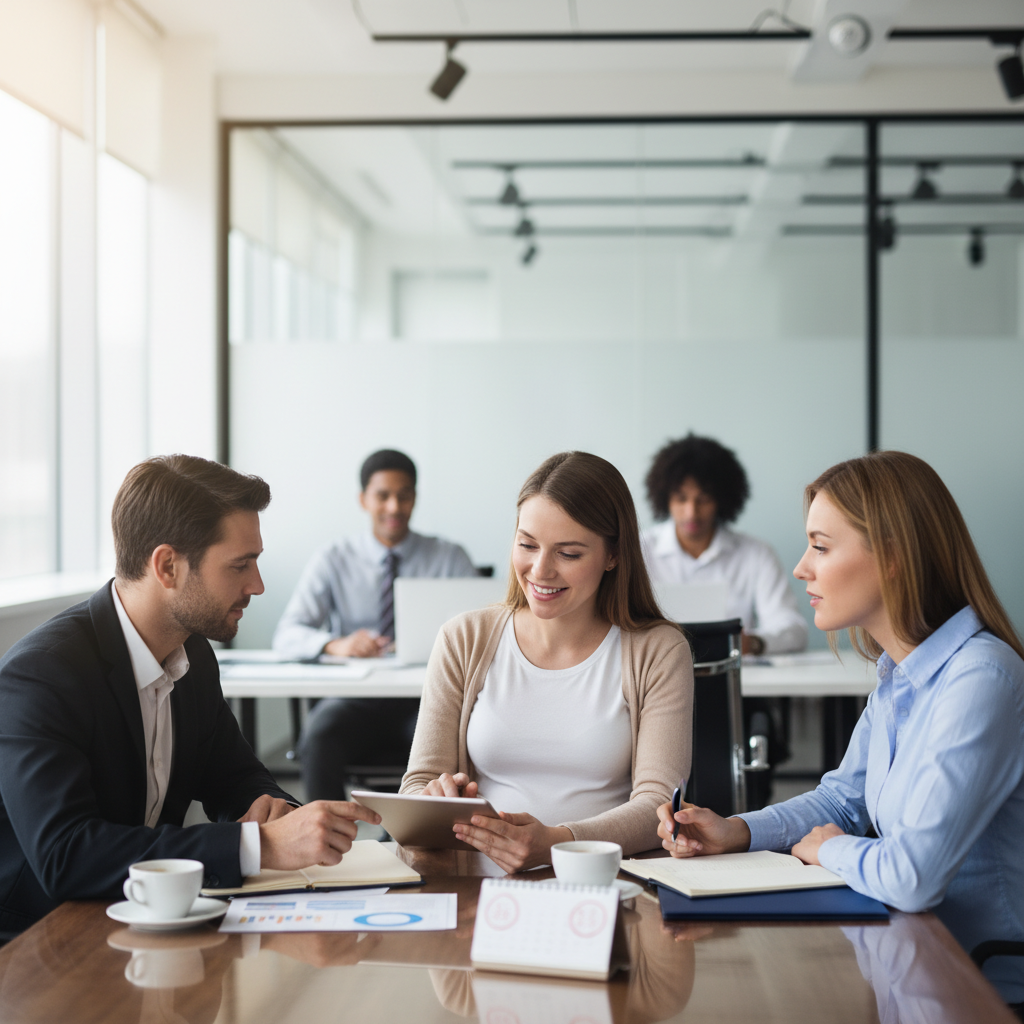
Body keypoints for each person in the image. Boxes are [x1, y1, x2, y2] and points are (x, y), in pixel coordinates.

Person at [656, 450, 1024, 1005]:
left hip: (978, 991)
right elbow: (842, 800)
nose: (802, 568)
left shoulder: (981, 678)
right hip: (912, 971)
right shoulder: (898, 676)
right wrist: (736, 831)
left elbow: (911, 877)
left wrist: (832, 849)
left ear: (894, 557)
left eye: (821, 547)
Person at [0, 455, 379, 935]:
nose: (258, 585)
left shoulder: (192, 654)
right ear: (167, 566)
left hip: (155, 921)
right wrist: (260, 846)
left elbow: (235, 776)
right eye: (240, 565)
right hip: (42, 940)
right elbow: (65, 855)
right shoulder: (42, 674)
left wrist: (270, 808)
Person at [401, 451, 693, 873]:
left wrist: (558, 843)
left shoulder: (658, 650)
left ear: (613, 555)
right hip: (477, 892)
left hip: (602, 886)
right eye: (527, 544)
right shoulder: (463, 638)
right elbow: (416, 785)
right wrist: (432, 801)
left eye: (568, 554)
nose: (540, 570)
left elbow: (659, 806)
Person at [273, 449, 477, 800]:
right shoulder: (333, 558)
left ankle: (405, 829)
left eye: (404, 495)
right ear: (363, 499)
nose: (394, 507)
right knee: (318, 736)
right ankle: (331, 832)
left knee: (454, 744)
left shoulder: (450, 558)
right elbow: (288, 634)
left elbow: (481, 635)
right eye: (383, 496)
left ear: (415, 498)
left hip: (426, 700)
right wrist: (335, 644)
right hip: (356, 700)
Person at [642, 433, 807, 656]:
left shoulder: (756, 554)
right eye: (681, 499)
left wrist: (752, 643)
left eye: (703, 500)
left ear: (721, 499)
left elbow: (793, 630)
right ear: (665, 498)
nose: (691, 513)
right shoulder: (638, 550)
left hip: (733, 672)